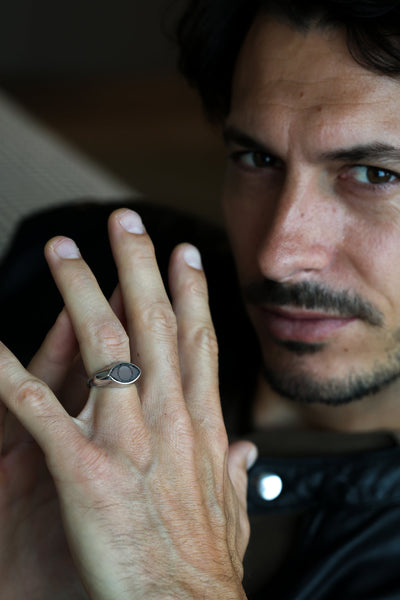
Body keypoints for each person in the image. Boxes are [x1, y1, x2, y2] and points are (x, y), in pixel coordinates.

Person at [2, 0, 400, 597]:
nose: (276, 254)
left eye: (374, 174)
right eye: (257, 159)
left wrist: (179, 584)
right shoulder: (79, 270)